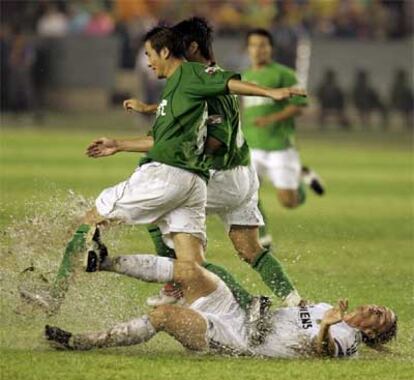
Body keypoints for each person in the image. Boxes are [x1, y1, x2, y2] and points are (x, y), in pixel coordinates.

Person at [21, 25, 306, 314]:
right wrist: (130, 131)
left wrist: (272, 93)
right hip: (220, 177)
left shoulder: (197, 74)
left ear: (186, 48)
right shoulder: (183, 84)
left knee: (96, 219)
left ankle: (54, 295)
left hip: (202, 175)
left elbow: (220, 112)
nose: (148, 61)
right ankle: (271, 305)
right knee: (200, 262)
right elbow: (178, 115)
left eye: (150, 53)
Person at [120, 18, 303, 313]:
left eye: (177, 47)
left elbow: (218, 137)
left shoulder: (205, 78)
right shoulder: (205, 78)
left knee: (160, 208)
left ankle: (183, 285)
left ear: (191, 47)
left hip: (223, 176)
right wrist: (152, 108)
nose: (172, 54)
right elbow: (192, 105)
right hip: (244, 175)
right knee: (250, 249)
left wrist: (184, 158)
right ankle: (297, 302)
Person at [45, 246, 397, 358]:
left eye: (384, 319)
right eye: (383, 308)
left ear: (370, 334)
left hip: (239, 340)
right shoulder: (325, 307)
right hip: (244, 316)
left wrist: (325, 326)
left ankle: (82, 342)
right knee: (191, 270)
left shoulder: (347, 340)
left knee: (165, 315)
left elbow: (322, 352)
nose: (379, 310)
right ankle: (102, 261)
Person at [242, 28, 325, 248]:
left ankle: (301, 177)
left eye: (263, 45)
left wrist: (272, 119)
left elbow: (299, 106)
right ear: (247, 49)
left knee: (288, 202)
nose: (258, 50)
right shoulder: (246, 76)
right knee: (246, 192)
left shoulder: (284, 74)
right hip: (252, 145)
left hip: (279, 146)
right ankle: (263, 236)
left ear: (271, 49)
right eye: (254, 45)